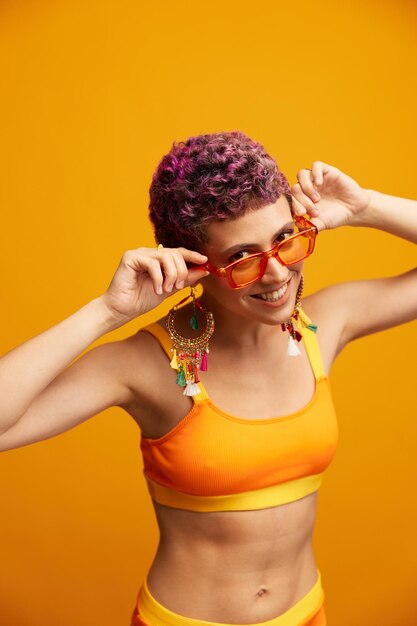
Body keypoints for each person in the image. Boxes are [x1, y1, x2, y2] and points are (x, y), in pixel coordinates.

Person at [0, 131, 416, 626]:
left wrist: (366, 207)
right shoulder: (146, 364)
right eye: (242, 259)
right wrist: (105, 313)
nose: (278, 273)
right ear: (195, 264)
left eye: (286, 240)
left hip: (308, 614)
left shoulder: (326, 323)